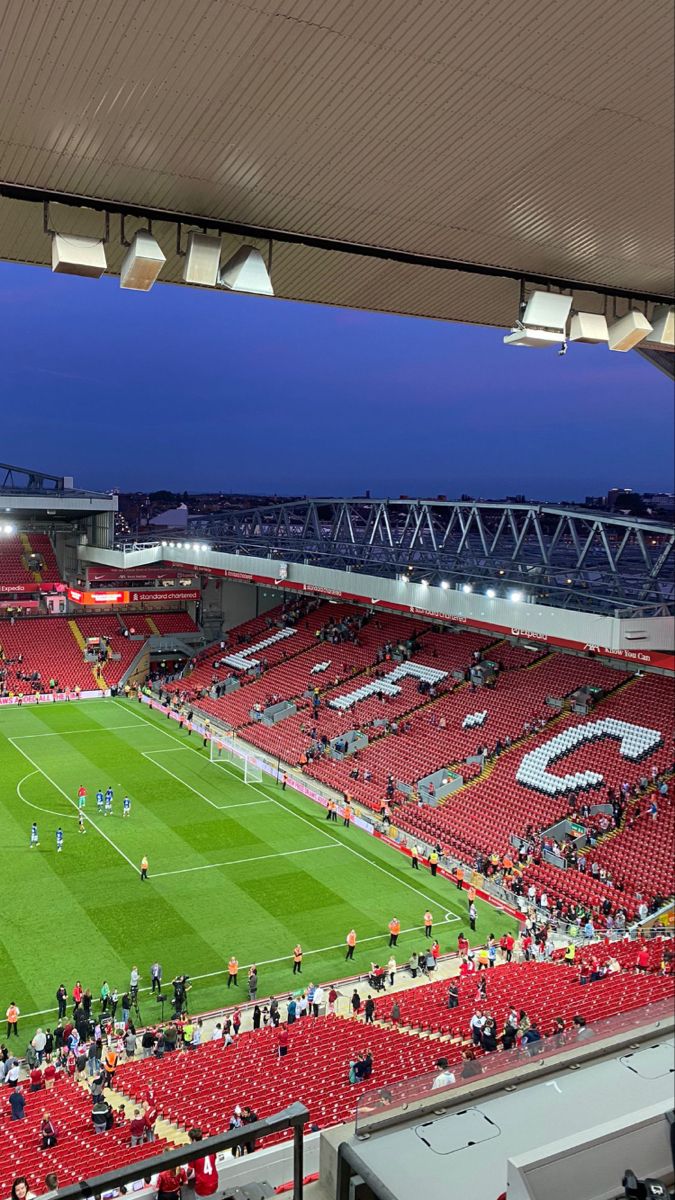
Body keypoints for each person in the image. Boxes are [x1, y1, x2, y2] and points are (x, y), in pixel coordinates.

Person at [187, 1128, 218, 1195]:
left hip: (202, 1187)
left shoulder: (193, 1154)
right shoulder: (210, 1148)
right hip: (215, 1183)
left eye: (190, 1139)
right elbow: (214, 1159)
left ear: (194, 1140)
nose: (189, 1141)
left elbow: (190, 1172)